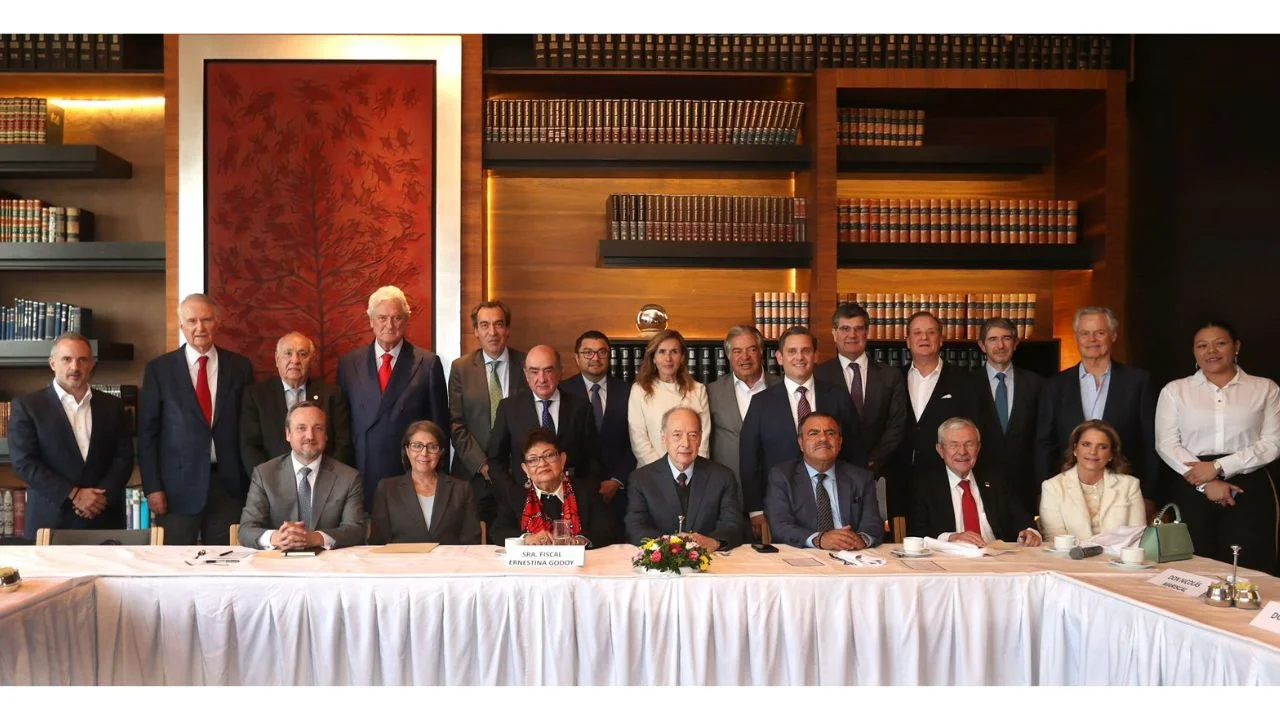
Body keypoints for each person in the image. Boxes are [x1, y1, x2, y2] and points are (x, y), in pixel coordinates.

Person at [1156, 321, 1280, 573]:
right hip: (1192, 483)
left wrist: (1219, 466)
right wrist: (1205, 483)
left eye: (1220, 343)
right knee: (1193, 568)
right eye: (1202, 346)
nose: (1211, 351)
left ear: (1236, 347)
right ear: (1194, 351)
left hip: (1249, 485)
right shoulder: (1175, 390)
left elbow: (1272, 443)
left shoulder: (1265, 388)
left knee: (1250, 565)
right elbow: (1166, 443)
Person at [139, 293, 255, 545]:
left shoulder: (240, 367)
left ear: (217, 323)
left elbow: (248, 429)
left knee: (227, 560)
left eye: (206, 320)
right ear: (181, 326)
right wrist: (153, 487)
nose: (199, 328)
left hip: (229, 487)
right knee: (175, 562)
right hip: (175, 490)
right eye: (192, 321)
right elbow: (148, 435)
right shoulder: (159, 370)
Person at [8, 333, 134, 541]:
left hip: (104, 519)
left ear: (92, 364)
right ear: (52, 363)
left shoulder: (112, 406)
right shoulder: (28, 406)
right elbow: (24, 462)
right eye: (67, 359)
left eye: (82, 359)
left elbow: (124, 457)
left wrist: (100, 498)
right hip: (51, 521)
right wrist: (74, 494)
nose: (75, 367)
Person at [1037, 306, 1158, 519]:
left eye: (1099, 333)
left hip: (1124, 493)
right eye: (1085, 333)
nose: (1091, 340)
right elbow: (1044, 443)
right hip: (1068, 493)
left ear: (1113, 335)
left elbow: (1150, 441)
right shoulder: (1054, 385)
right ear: (1077, 337)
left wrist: (1148, 494)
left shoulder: (1138, 382)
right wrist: (1044, 490)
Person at [739, 326, 860, 538]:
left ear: (816, 356)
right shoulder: (761, 403)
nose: (799, 357)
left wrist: (857, 501)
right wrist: (755, 510)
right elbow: (749, 459)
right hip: (779, 507)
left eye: (806, 351)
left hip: (833, 504)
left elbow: (854, 451)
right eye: (792, 351)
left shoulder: (838, 397)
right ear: (779, 357)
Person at [337, 285, 450, 507]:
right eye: (382, 318)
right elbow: (342, 425)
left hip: (409, 474)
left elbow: (439, 429)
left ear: (406, 321)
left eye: (397, 318)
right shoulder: (349, 364)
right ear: (371, 320)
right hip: (361, 473)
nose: (389, 325)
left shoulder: (427, 364)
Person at [890, 311, 981, 523]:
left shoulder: (964, 380)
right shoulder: (892, 378)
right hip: (899, 478)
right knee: (903, 537)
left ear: (940, 340)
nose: (924, 338)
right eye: (917, 333)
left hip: (944, 479)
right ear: (908, 341)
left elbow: (972, 426)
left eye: (931, 332)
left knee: (942, 535)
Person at [238, 401, 365, 550]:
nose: (310, 436)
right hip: (279, 561)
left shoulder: (348, 478)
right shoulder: (265, 474)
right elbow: (246, 529)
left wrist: (315, 538)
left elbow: (356, 530)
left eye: (318, 428)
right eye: (301, 428)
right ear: (288, 434)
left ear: (326, 435)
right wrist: (277, 537)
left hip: (329, 562)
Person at [448, 300, 527, 524]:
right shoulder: (461, 368)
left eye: (498, 324)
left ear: (507, 329)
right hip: (474, 475)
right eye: (484, 325)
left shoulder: (527, 365)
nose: (492, 332)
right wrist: (483, 466)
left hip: (518, 475)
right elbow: (456, 424)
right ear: (475, 331)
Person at [626, 407, 748, 550]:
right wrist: (670, 546)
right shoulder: (641, 479)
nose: (686, 443)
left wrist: (713, 542)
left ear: (700, 438)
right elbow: (636, 526)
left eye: (693, 435)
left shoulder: (722, 477)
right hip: (662, 560)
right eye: (677, 435)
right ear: (663, 438)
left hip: (712, 559)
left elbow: (733, 524)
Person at [814, 302, 908, 487]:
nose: (852, 335)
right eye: (845, 329)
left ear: (867, 332)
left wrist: (872, 463)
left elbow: (896, 426)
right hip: (831, 472)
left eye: (858, 329)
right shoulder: (818, 375)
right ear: (834, 333)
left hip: (879, 473)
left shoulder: (890, 375)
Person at [909, 417, 1041, 546]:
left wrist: (1030, 532)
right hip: (949, 557)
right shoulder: (924, 486)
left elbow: (1022, 519)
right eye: (954, 445)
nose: (962, 451)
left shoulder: (996, 480)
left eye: (969, 444)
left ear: (978, 448)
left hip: (997, 554)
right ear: (940, 450)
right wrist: (951, 537)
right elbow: (917, 536)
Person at [488, 345, 602, 494]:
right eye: (534, 372)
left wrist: (583, 494)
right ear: (526, 375)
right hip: (523, 498)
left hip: (572, 498)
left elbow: (593, 460)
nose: (541, 379)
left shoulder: (581, 408)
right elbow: (496, 460)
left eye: (548, 371)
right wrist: (512, 494)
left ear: (560, 371)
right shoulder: (509, 408)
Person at [764, 413, 885, 550]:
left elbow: (873, 522)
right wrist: (819, 539)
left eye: (830, 433)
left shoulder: (861, 478)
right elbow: (780, 525)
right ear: (801, 443)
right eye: (814, 433)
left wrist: (861, 539)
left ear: (839, 442)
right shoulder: (782, 476)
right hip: (804, 554)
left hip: (851, 553)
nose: (823, 438)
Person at [240, 331, 353, 475]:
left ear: (311, 360)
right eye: (288, 353)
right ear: (277, 359)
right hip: (273, 482)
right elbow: (249, 446)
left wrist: (328, 479)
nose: (295, 360)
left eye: (302, 354)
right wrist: (269, 482)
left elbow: (342, 443)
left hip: (324, 479)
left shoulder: (332, 394)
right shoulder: (256, 396)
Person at [487, 428, 618, 547]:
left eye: (549, 455)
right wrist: (527, 538)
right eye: (533, 459)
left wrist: (580, 540)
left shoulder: (586, 490)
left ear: (562, 460)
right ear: (525, 469)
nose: (542, 464)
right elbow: (498, 531)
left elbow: (607, 529)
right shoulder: (516, 494)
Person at [559, 330, 636, 526]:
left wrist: (617, 480)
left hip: (620, 492)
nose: (595, 358)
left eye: (602, 352)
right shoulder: (562, 391)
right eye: (588, 352)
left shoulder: (629, 391)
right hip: (575, 491)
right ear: (577, 357)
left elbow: (636, 441)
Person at [971, 317, 1044, 511]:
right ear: (982, 345)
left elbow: (1042, 438)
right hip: (979, 483)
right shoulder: (965, 384)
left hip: (1025, 485)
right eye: (993, 339)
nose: (1000, 345)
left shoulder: (1036, 385)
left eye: (1006, 338)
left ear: (1016, 343)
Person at [369, 420, 481, 545]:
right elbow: (379, 544)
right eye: (417, 446)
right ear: (407, 450)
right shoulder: (387, 489)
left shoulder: (461, 490)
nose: (424, 453)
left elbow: (472, 544)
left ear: (440, 452)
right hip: (403, 558)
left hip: (451, 558)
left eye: (432, 447)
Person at [1039, 420, 1145, 540]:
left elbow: (1137, 536)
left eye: (1102, 447)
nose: (1093, 452)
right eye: (1086, 444)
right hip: (1070, 552)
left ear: (1111, 454)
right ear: (1075, 449)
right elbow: (1055, 539)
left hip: (1119, 552)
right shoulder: (1052, 487)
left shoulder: (1130, 485)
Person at [707, 325, 780, 487]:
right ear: (728, 355)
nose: (745, 357)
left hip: (775, 485)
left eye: (751, 350)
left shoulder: (781, 387)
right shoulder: (712, 392)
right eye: (737, 351)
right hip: (729, 485)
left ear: (761, 352)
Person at [627, 329, 711, 467]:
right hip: (652, 471)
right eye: (662, 352)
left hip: (693, 471)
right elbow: (638, 438)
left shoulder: (698, 390)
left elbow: (703, 439)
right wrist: (663, 471)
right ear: (653, 358)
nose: (668, 358)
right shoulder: (640, 390)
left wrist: (692, 469)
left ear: (682, 357)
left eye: (674, 352)